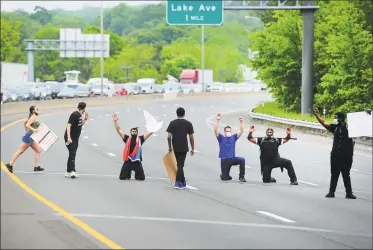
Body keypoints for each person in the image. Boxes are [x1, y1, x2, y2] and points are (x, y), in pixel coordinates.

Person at [313, 109, 356, 199]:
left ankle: (349, 193)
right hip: (335, 155)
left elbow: (362, 125)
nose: (334, 119)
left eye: (336, 118)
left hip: (346, 156)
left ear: (341, 119)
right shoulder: (335, 127)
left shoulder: (351, 128)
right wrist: (316, 115)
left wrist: (368, 114)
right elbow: (324, 122)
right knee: (334, 174)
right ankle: (331, 192)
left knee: (346, 174)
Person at [113, 113, 153, 180]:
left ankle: (136, 174)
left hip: (137, 161)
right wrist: (115, 121)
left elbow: (149, 133)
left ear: (137, 133)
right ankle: (128, 174)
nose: (134, 132)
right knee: (122, 177)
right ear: (130, 133)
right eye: (132, 131)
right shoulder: (127, 138)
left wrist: (154, 128)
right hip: (128, 160)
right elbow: (119, 130)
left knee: (141, 178)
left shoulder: (140, 139)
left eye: (135, 131)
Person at [5, 106, 43, 173]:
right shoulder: (33, 117)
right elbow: (27, 124)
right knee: (20, 151)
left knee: (38, 150)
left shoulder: (32, 117)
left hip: (32, 137)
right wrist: (34, 130)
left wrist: (27, 131)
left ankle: (36, 167)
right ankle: (9, 164)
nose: (38, 110)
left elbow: (25, 122)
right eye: (37, 109)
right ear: (33, 111)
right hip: (29, 137)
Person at [167, 107, 195, 189]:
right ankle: (178, 182)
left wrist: (170, 147)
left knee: (179, 164)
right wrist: (193, 148)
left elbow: (168, 137)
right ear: (184, 113)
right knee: (180, 165)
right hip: (184, 147)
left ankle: (183, 182)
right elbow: (191, 137)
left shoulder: (172, 123)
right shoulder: (188, 124)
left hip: (175, 146)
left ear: (177, 113)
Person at [214, 113, 246, 182]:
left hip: (232, 159)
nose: (229, 132)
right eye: (227, 131)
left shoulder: (233, 137)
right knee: (225, 178)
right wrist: (217, 120)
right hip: (225, 160)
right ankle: (224, 175)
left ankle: (241, 177)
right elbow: (215, 130)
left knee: (242, 160)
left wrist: (241, 122)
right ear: (224, 131)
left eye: (230, 131)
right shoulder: (221, 138)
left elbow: (241, 131)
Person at [64, 102, 88, 179]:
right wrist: (68, 137)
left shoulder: (79, 115)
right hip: (71, 138)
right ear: (84, 108)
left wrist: (85, 118)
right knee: (72, 154)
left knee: (72, 154)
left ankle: (68, 171)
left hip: (75, 138)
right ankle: (72, 171)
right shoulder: (74, 114)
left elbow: (80, 124)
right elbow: (68, 126)